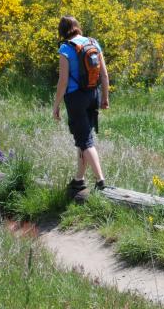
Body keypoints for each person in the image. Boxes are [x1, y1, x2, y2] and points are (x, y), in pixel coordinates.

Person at [52, 16, 110, 196]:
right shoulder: (93, 43)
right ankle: (79, 179)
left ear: (62, 31)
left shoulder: (65, 49)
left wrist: (56, 105)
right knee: (83, 138)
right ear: (77, 27)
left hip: (76, 98)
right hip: (93, 94)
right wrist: (105, 98)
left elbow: (63, 82)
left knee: (85, 141)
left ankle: (101, 182)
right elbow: (104, 76)